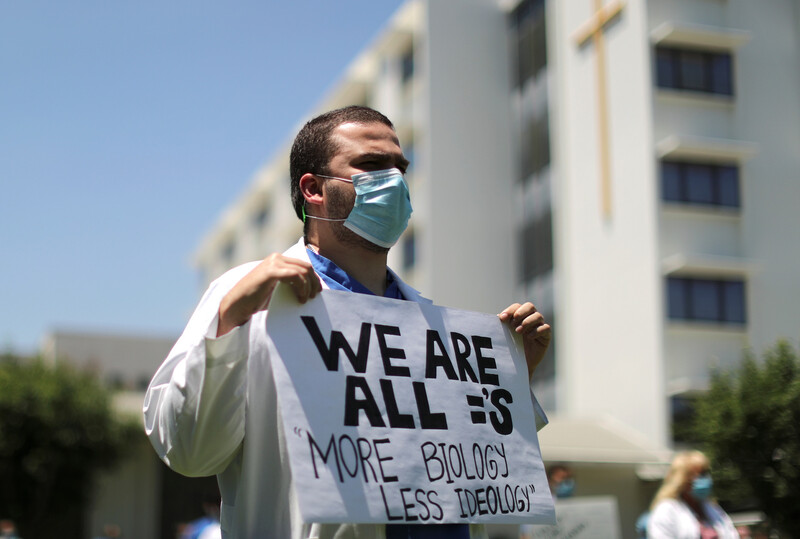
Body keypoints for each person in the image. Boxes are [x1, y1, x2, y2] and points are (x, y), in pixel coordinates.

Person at [144, 105, 552, 538]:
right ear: (313, 189)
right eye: (373, 165)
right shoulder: (248, 295)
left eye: (401, 166)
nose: (394, 182)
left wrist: (506, 380)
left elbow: (465, 474)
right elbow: (189, 452)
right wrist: (230, 323)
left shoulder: (431, 327)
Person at [647, 450, 739, 539]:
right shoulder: (666, 511)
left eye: (706, 473)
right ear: (682, 480)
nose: (705, 479)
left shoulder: (713, 509)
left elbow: (731, 534)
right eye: (699, 475)